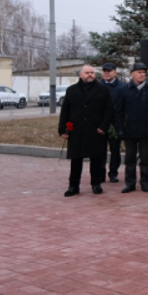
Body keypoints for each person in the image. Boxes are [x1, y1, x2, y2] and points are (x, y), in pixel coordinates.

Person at [59, 65, 113, 197]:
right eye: (87, 73)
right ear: (80, 75)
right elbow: (65, 110)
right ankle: (73, 186)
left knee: (96, 160)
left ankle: (96, 184)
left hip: (96, 130)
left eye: (92, 73)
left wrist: (104, 126)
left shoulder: (102, 90)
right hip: (76, 130)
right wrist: (63, 129)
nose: (90, 75)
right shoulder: (72, 90)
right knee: (76, 160)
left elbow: (109, 110)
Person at [114, 62, 148, 193]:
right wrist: (120, 129)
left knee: (146, 158)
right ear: (132, 74)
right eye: (139, 72)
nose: (142, 74)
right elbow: (119, 112)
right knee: (130, 158)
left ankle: (145, 182)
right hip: (129, 130)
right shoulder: (123, 90)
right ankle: (130, 183)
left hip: (146, 130)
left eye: (143, 72)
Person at [100, 62, 126, 183]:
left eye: (109, 71)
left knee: (115, 150)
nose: (106, 73)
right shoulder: (97, 86)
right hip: (100, 124)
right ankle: (100, 173)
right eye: (104, 71)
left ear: (115, 72)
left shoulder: (122, 87)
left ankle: (113, 173)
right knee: (100, 151)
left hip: (116, 124)